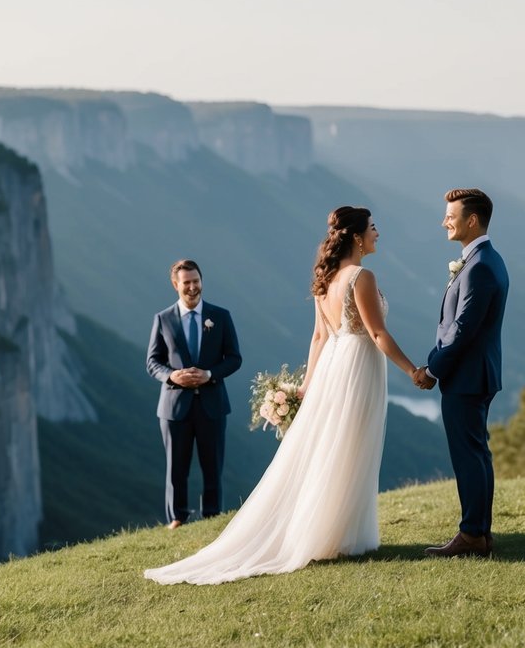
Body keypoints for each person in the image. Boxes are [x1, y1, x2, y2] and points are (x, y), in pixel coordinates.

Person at [145, 207, 426, 585]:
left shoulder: (326, 279)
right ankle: (340, 536)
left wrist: (309, 387)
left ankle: (337, 533)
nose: (378, 234)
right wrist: (413, 371)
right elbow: (376, 335)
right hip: (357, 368)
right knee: (351, 447)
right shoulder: (362, 276)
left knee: (336, 448)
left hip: (334, 369)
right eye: (373, 228)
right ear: (357, 237)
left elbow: (319, 338)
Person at [415, 188, 509, 558]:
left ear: (472, 220)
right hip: (476, 374)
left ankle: (472, 534)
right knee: (477, 454)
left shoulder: (481, 265)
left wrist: (432, 369)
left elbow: (462, 328)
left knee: (468, 456)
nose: (444, 222)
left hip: (468, 377)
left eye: (450, 216)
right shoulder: (486, 259)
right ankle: (480, 533)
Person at [146, 259, 243, 529]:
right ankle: (177, 517)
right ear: (175, 285)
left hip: (212, 403)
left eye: (196, 281)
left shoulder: (220, 316)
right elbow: (152, 362)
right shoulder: (162, 319)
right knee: (176, 468)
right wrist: (171, 376)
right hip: (174, 407)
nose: (192, 287)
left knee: (213, 465)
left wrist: (210, 374)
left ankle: (212, 515)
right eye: (186, 283)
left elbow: (234, 358)